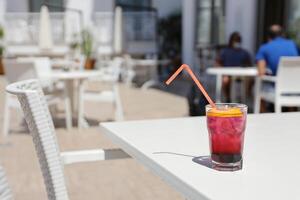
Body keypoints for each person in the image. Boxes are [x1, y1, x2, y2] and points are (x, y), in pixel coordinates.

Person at [256, 25, 299, 112]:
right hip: (297, 89)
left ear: (269, 37)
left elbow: (261, 72)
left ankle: (263, 118)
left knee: (257, 88)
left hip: (278, 89)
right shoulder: (293, 45)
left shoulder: (265, 48)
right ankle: (291, 114)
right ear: (282, 34)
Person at [216, 32, 252, 102]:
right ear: (231, 41)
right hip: (228, 74)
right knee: (225, 80)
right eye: (236, 40)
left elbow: (249, 63)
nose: (237, 42)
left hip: (241, 74)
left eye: (238, 41)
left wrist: (246, 66)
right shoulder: (225, 51)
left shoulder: (244, 52)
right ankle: (228, 98)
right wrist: (222, 70)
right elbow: (218, 62)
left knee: (251, 79)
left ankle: (245, 98)